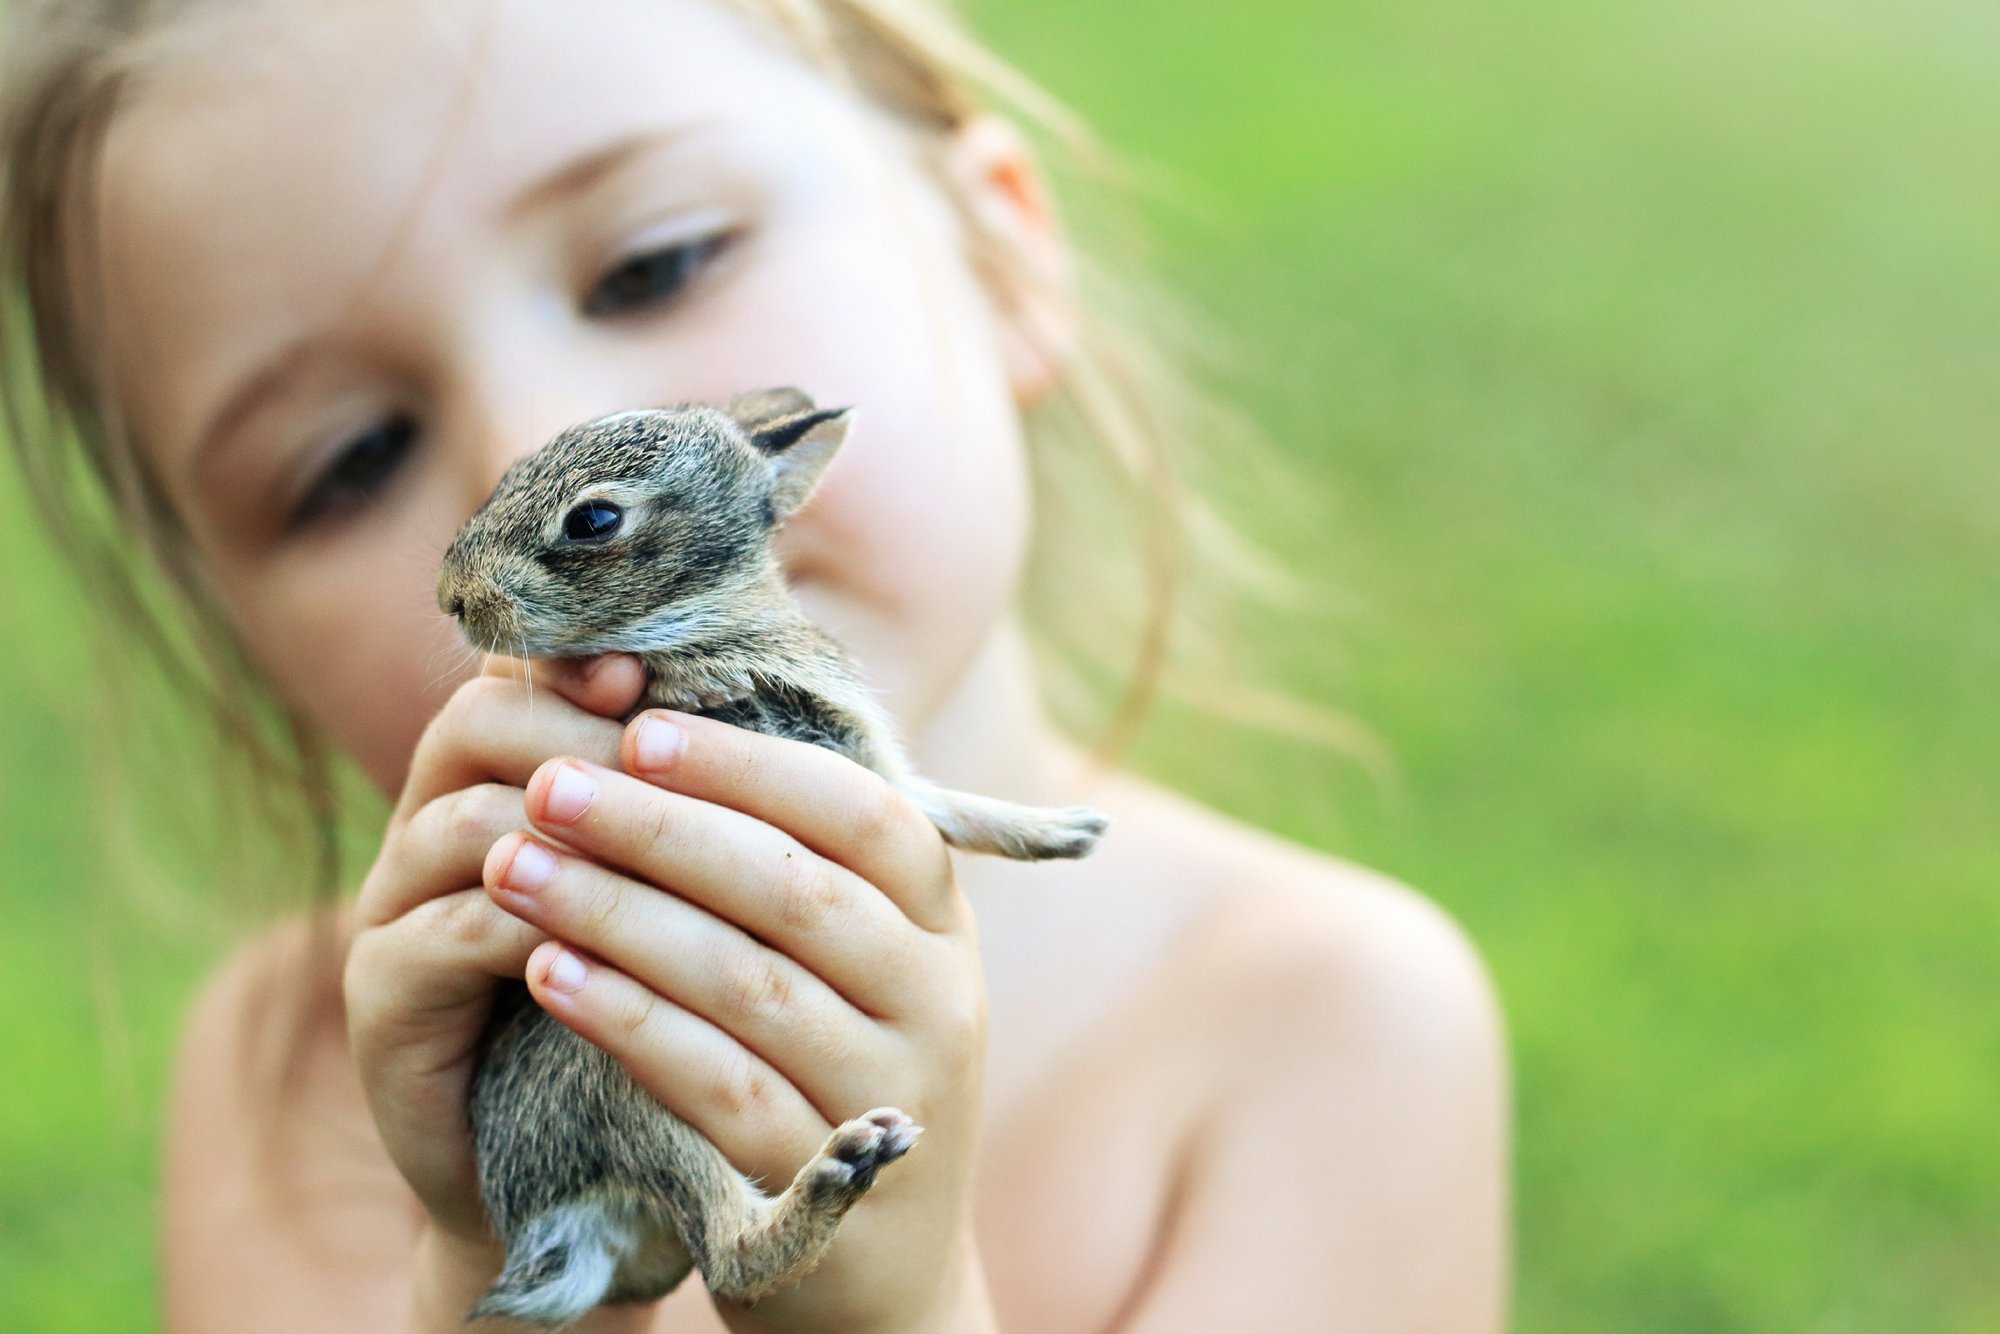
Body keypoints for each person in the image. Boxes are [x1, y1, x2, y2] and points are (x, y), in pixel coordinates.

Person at [0, 1, 1508, 1329]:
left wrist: (885, 1312)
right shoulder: (299, 1076)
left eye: (654, 265)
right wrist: (491, 1245)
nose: (529, 449)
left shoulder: (1332, 1031)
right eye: (353, 458)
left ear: (1000, 254)